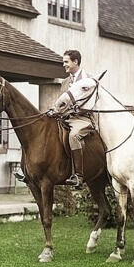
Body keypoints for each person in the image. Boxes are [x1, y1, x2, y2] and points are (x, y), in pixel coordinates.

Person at [56, 49, 94, 187]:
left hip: (83, 119)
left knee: (73, 136)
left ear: (75, 62)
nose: (64, 65)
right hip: (65, 118)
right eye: (63, 62)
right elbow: (60, 102)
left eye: (66, 62)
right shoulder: (65, 82)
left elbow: (93, 103)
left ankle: (78, 175)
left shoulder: (88, 80)